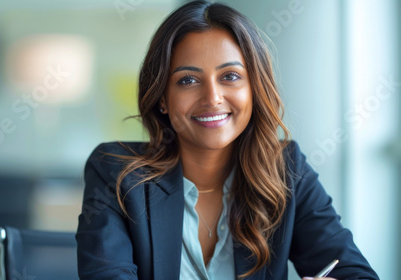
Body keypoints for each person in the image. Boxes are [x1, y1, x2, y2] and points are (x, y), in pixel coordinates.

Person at [75, 1, 379, 279]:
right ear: (163, 98)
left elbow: (354, 272)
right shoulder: (117, 173)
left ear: (254, 88)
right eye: (188, 80)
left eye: (230, 76)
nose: (212, 98)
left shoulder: (287, 171)